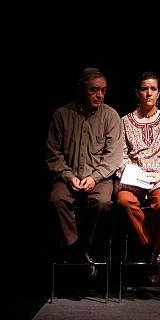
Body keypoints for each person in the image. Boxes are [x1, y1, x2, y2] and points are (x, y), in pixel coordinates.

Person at [47, 67, 123, 278]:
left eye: (103, 90)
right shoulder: (62, 115)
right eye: (94, 90)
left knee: (102, 202)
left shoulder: (110, 116)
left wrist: (94, 177)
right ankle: (76, 248)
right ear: (81, 90)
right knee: (57, 198)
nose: (100, 95)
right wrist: (69, 176)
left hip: (98, 177)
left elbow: (113, 156)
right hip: (68, 175)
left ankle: (82, 247)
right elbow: (53, 154)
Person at [116, 72, 160, 282]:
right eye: (145, 88)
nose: (149, 93)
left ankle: (156, 253)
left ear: (159, 93)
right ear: (138, 92)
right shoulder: (124, 121)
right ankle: (154, 245)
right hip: (136, 175)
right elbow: (121, 155)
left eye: (153, 89)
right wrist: (134, 172)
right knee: (124, 200)